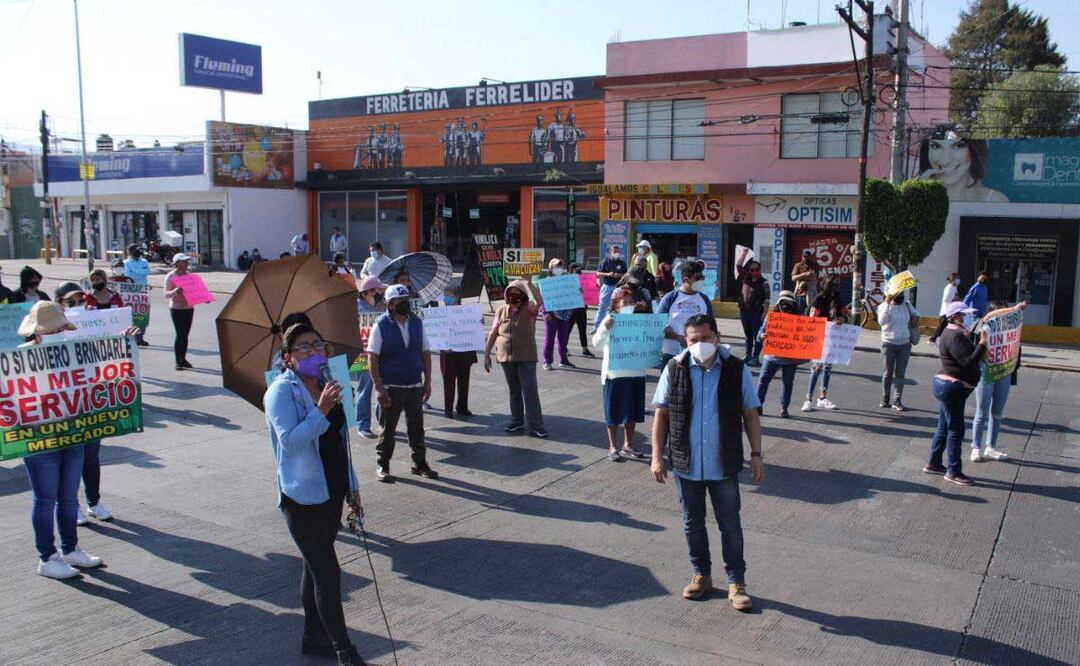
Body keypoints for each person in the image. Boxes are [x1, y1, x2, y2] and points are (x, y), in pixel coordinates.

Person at [263, 323, 366, 664]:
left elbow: (341, 440)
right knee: (327, 572)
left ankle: (313, 637)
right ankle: (343, 650)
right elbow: (290, 442)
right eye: (303, 347)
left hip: (332, 489)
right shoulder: (280, 391)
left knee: (313, 566)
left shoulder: (328, 383)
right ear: (288, 358)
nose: (312, 352)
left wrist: (352, 485)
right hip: (302, 497)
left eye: (317, 345)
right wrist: (320, 410)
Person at [651, 314, 763, 608]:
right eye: (693, 339)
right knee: (693, 523)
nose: (700, 344)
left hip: (723, 463)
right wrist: (656, 457)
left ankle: (736, 582)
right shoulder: (674, 368)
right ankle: (701, 574)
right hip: (686, 463)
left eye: (705, 338)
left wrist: (756, 454)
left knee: (730, 524)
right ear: (685, 341)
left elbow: (751, 413)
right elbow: (662, 414)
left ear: (717, 337)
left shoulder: (736, 370)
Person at [16, 301, 104, 579]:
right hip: (40, 439)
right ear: (38, 332)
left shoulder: (74, 354)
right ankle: (47, 557)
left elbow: (93, 383)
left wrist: (124, 347)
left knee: (68, 496)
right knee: (45, 498)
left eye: (61, 329)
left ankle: (70, 549)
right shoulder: (18, 360)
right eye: (54, 329)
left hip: (73, 433)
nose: (59, 333)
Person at [367, 284, 438, 482]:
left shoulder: (417, 322)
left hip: (414, 385)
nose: (405, 303)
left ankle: (419, 463)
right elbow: (372, 358)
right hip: (391, 387)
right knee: (388, 430)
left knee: (416, 428)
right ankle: (383, 465)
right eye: (400, 300)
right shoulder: (381, 325)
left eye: (406, 299)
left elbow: (425, 353)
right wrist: (379, 388)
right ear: (390, 305)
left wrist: (428, 382)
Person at [925, 301, 986, 486]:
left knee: (944, 426)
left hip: (947, 386)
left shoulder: (953, 333)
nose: (966, 317)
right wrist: (982, 344)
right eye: (963, 314)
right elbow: (968, 361)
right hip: (951, 387)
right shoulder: (954, 335)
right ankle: (954, 471)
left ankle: (934, 462)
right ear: (954, 317)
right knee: (956, 430)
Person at [483, 278, 548, 438]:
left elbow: (540, 300)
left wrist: (529, 283)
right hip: (506, 357)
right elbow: (493, 333)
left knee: (530, 391)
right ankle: (517, 421)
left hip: (526, 357)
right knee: (514, 391)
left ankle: (536, 426)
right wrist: (487, 354)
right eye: (510, 293)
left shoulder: (529, 308)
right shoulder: (501, 310)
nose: (513, 296)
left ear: (523, 295)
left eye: (517, 293)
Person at [592, 288, 649, 462]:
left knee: (632, 412)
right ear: (616, 305)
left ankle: (628, 444)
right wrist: (605, 330)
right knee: (613, 411)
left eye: (631, 302)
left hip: (635, 371)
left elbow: (649, 341)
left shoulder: (639, 321)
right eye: (625, 302)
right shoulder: (610, 320)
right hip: (614, 373)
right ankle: (613, 446)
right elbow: (597, 343)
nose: (629, 305)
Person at [970, 300, 1027, 463]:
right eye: (1001, 313)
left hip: (1004, 373)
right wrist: (1015, 308)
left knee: (997, 414)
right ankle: (976, 448)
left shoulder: (1011, 331)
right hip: (986, 372)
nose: (1005, 317)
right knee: (981, 414)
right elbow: (987, 317)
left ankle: (991, 447)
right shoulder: (985, 326)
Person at [918, 131, 1008, 203]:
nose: (946, 160)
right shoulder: (919, 195)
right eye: (936, 146)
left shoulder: (994, 200)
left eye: (958, 146)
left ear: (973, 150)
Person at [801, 278, 848, 412]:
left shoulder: (838, 299)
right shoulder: (819, 299)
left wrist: (842, 319)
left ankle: (822, 398)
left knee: (827, 367)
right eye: (831, 288)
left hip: (832, 336)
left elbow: (844, 314)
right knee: (816, 368)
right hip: (819, 337)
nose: (834, 291)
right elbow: (811, 318)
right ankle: (808, 399)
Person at [755, 291, 804, 418]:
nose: (786, 306)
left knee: (788, 383)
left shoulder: (799, 319)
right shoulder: (771, 317)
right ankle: (758, 405)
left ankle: (784, 408)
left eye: (789, 303)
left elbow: (806, 338)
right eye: (783, 303)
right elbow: (760, 332)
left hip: (790, 359)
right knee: (762, 381)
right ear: (779, 303)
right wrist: (761, 336)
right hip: (772, 356)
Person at [656, 260, 713, 365]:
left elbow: (712, 327)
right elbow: (657, 325)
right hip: (671, 354)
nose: (701, 280)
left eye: (702, 277)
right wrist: (678, 337)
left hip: (697, 355)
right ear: (685, 279)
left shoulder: (704, 299)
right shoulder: (670, 298)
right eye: (697, 278)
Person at [877, 289, 919, 411]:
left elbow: (917, 315)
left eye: (901, 294)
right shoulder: (884, 306)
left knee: (900, 373)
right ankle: (885, 398)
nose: (900, 296)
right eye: (897, 294)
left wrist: (915, 318)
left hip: (905, 343)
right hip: (888, 343)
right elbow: (881, 321)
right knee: (888, 373)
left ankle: (897, 399)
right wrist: (887, 304)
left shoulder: (906, 304)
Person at [355, 277, 386, 439]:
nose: (380, 292)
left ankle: (383, 422)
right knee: (364, 390)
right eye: (377, 289)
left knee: (383, 387)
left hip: (381, 354)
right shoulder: (355, 308)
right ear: (367, 292)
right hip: (362, 355)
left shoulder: (383, 305)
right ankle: (363, 425)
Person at [438, 287, 477, 419]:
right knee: (448, 382)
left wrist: (478, 322)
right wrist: (443, 346)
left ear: (457, 297)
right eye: (445, 296)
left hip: (464, 351)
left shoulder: (467, 312)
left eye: (449, 296)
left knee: (464, 380)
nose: (446, 299)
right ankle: (448, 409)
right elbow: (437, 334)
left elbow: (473, 328)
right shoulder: (441, 313)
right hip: (448, 352)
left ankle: (462, 407)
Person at [542, 258, 575, 371]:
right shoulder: (547, 282)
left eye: (561, 266)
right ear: (551, 268)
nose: (559, 268)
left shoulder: (566, 280)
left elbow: (572, 294)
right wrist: (546, 312)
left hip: (564, 314)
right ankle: (547, 361)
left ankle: (563, 360)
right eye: (557, 266)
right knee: (549, 339)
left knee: (563, 339)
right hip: (551, 314)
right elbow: (543, 299)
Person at [164, 253, 195, 371]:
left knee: (185, 335)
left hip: (189, 308)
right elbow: (166, 294)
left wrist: (204, 298)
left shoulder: (190, 276)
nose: (186, 263)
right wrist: (175, 292)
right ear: (177, 263)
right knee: (180, 334)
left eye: (187, 261)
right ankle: (178, 361)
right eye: (183, 261)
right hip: (176, 308)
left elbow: (196, 291)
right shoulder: (171, 276)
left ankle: (183, 358)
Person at [737, 260, 769, 366]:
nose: (755, 271)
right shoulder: (746, 280)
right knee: (748, 335)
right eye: (752, 270)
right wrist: (744, 253)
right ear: (749, 271)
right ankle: (748, 355)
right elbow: (739, 266)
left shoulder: (764, 282)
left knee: (757, 335)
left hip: (756, 312)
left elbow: (767, 299)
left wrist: (765, 313)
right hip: (744, 311)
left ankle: (755, 357)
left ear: (760, 270)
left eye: (757, 269)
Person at [593, 245, 627, 332]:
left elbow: (626, 275)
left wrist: (618, 275)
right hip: (607, 287)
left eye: (618, 252)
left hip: (618, 287)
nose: (616, 253)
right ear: (610, 253)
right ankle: (596, 327)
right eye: (614, 252)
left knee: (616, 308)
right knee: (602, 307)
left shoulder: (622, 263)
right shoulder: (605, 262)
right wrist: (608, 274)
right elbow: (598, 273)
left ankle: (613, 327)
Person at [123, 245, 151, 347]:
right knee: (132, 315)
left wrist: (135, 272)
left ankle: (141, 337)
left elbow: (148, 271)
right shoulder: (126, 263)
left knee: (142, 315)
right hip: (131, 292)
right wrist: (140, 274)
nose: (137, 252)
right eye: (134, 251)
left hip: (143, 292)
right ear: (129, 252)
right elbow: (128, 275)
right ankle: (133, 336)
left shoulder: (144, 261)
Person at [566, 263, 594, 358]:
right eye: (576, 270)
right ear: (571, 270)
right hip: (571, 309)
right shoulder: (566, 281)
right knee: (567, 329)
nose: (579, 272)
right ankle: (564, 347)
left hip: (582, 308)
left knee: (583, 330)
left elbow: (589, 293)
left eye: (579, 270)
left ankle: (585, 349)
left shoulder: (583, 280)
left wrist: (593, 289)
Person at [791, 249, 820, 314]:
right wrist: (804, 274)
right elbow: (793, 278)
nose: (805, 258)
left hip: (811, 293)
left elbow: (815, 278)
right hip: (800, 293)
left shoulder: (815, 265)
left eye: (807, 257)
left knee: (810, 312)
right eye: (804, 257)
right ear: (802, 257)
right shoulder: (798, 265)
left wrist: (810, 276)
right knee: (799, 312)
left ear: (810, 257)